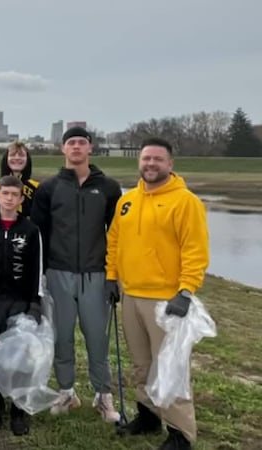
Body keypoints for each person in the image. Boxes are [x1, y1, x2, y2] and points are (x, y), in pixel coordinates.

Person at [106, 137, 209, 450]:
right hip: (132, 295)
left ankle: (180, 434)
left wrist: (186, 290)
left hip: (167, 300)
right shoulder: (127, 201)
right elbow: (115, 241)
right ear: (139, 161)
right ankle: (148, 417)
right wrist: (112, 276)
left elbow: (195, 251)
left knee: (171, 367)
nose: (150, 164)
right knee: (143, 364)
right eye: (146, 159)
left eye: (157, 159)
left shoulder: (185, 202)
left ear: (170, 164)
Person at [30, 126, 123, 422]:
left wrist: (113, 276)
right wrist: (41, 274)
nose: (77, 147)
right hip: (58, 272)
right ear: (63, 149)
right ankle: (66, 392)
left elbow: (118, 234)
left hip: (96, 274)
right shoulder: (49, 187)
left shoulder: (108, 187)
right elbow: (39, 234)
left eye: (82, 142)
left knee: (97, 337)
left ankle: (102, 395)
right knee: (62, 337)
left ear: (90, 148)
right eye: (71, 142)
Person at [0, 175, 44, 436]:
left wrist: (35, 302)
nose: (10, 199)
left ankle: (18, 409)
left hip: (20, 302)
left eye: (15, 195)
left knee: (20, 358)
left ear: (21, 199)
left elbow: (37, 268)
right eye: (5, 194)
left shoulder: (31, 230)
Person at [0, 141, 39, 221]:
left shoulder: (38, 188)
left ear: (27, 159)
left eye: (21, 155)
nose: (17, 158)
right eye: (12, 155)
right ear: (6, 159)